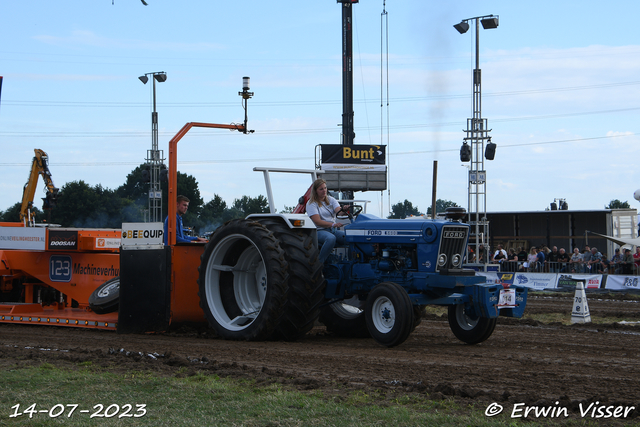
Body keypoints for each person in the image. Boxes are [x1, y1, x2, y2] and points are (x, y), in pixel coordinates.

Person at [306, 178, 345, 263]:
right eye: (321, 189)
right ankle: (319, 263)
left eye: (325, 188)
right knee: (331, 238)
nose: (324, 191)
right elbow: (317, 221)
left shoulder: (331, 200)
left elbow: (339, 212)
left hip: (332, 229)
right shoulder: (311, 203)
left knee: (349, 237)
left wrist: (344, 210)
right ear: (316, 191)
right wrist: (333, 225)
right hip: (319, 231)